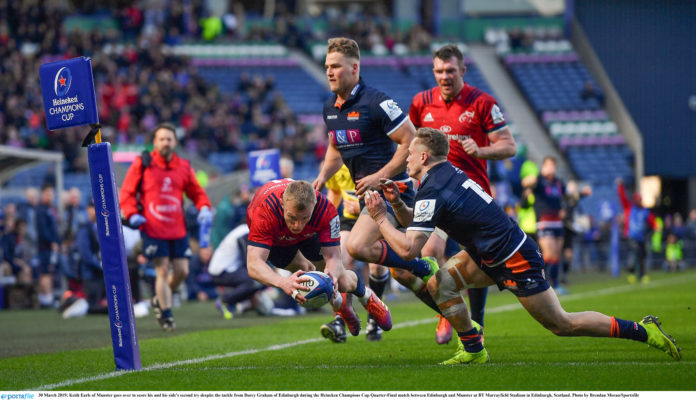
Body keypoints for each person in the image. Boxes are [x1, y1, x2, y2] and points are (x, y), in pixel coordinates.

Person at [364, 127, 681, 364]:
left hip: (514, 258)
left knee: (561, 324)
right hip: (487, 254)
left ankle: (642, 330)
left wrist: (380, 216)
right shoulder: (442, 177)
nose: (404, 157)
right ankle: (474, 348)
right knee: (439, 284)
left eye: (409, 153)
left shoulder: (434, 187)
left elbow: (407, 250)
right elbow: (414, 225)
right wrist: (397, 206)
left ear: (423, 156)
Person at [312, 37, 438, 342]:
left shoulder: (377, 102)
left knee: (356, 248)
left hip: (394, 190)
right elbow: (335, 146)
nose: (329, 72)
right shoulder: (330, 107)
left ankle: (419, 266)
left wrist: (380, 176)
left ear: (354, 68)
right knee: (360, 261)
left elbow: (411, 140)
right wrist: (320, 177)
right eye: (327, 67)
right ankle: (421, 279)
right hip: (365, 195)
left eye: (336, 67)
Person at [405, 43, 517, 344]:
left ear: (463, 70)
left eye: (451, 70)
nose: (445, 76)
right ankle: (446, 307)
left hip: (471, 198)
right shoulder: (421, 102)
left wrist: (481, 150)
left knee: (478, 259)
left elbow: (509, 145)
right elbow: (412, 144)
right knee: (428, 252)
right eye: (440, 71)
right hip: (434, 194)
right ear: (433, 71)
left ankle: (476, 323)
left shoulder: (482, 102)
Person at [246, 179, 392, 343]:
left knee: (339, 279)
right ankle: (341, 306)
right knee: (305, 274)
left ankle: (367, 297)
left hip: (310, 235)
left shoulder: (325, 209)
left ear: (313, 207)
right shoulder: (265, 210)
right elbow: (253, 264)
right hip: (278, 239)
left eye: (304, 218)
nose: (297, 225)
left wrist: (333, 275)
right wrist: (283, 282)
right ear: (282, 203)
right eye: (292, 217)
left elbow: (333, 258)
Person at [119, 122, 212, 331]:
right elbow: (126, 192)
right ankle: (166, 314)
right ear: (155, 142)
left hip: (178, 229)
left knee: (182, 271)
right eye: (161, 139)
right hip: (153, 228)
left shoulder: (184, 166)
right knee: (162, 270)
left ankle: (160, 299)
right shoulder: (142, 164)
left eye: (169, 139)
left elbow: (196, 192)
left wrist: (204, 207)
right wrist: (132, 214)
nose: (165, 143)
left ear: (175, 142)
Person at [522, 156, 587, 294]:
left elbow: (568, 196)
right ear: (543, 167)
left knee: (556, 254)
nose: (551, 168)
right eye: (549, 165)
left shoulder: (558, 182)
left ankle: (555, 284)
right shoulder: (539, 180)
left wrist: (581, 193)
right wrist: (531, 179)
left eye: (553, 166)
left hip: (557, 222)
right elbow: (526, 182)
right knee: (548, 254)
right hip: (544, 221)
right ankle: (539, 282)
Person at [209, 223, 270, 319]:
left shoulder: (246, 230)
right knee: (253, 281)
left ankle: (245, 305)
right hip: (221, 271)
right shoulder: (246, 231)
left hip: (228, 269)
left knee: (258, 279)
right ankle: (225, 301)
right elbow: (247, 260)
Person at [616, 177, 657, 284]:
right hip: (631, 235)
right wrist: (620, 186)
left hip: (641, 237)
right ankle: (639, 274)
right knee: (636, 253)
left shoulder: (645, 211)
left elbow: (652, 220)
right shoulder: (629, 208)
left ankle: (634, 272)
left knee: (643, 255)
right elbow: (622, 197)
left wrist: (656, 226)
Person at [36, 184, 61, 308]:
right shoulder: (41, 210)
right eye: (48, 193)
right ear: (43, 194)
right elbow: (43, 230)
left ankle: (48, 298)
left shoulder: (49, 208)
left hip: (50, 246)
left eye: (52, 193)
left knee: (49, 272)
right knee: (45, 272)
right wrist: (52, 242)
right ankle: (46, 300)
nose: (51, 196)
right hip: (45, 247)